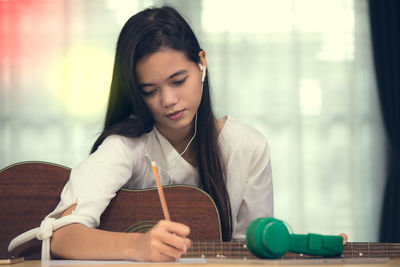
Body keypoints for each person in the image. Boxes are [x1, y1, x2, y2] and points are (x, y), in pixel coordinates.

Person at [8, 6, 273, 261]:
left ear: (202, 63)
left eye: (178, 81)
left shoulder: (248, 146)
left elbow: (252, 251)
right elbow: (62, 235)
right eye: (149, 90)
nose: (168, 100)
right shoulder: (126, 146)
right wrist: (139, 245)